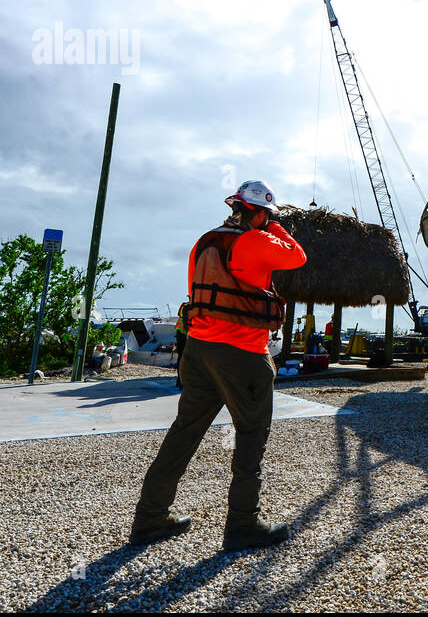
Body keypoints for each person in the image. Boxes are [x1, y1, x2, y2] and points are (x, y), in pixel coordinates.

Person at [130, 180, 307, 551]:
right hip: (242, 353)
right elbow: (296, 256)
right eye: (267, 215)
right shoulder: (258, 239)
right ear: (260, 213)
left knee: (184, 433)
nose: (269, 222)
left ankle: (149, 519)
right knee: (250, 437)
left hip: (198, 351)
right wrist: (274, 225)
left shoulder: (204, 241)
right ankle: (242, 525)